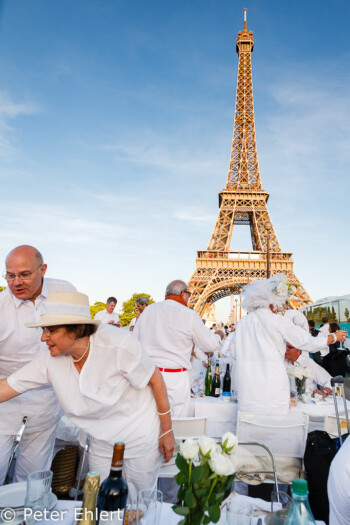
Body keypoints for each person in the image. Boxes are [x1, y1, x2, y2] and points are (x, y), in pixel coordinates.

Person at [0, 291, 174, 502]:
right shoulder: (49, 359)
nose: (43, 337)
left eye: (50, 330)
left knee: (139, 504)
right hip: (101, 437)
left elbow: (156, 380)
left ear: (77, 329)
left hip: (139, 432)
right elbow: (8, 386)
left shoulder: (119, 345)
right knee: (99, 498)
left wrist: (167, 431)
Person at [0, 245, 76, 485]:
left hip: (47, 403)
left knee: (32, 482)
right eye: (10, 275)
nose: (16, 282)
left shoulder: (64, 292)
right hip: (4, 400)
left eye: (24, 274)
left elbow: (79, 337)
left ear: (42, 270)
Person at [228, 274, 347, 414]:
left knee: (250, 429)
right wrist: (332, 337)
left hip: (248, 394)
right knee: (275, 431)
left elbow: (234, 353)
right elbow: (306, 342)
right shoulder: (276, 321)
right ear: (272, 301)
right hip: (273, 394)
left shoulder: (242, 323)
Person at [133, 280, 223, 416]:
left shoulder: (149, 311)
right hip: (175, 378)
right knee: (177, 425)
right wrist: (218, 336)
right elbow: (210, 344)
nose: (190, 297)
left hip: (149, 375)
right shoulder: (189, 315)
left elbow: (134, 341)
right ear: (183, 294)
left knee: (149, 422)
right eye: (189, 294)